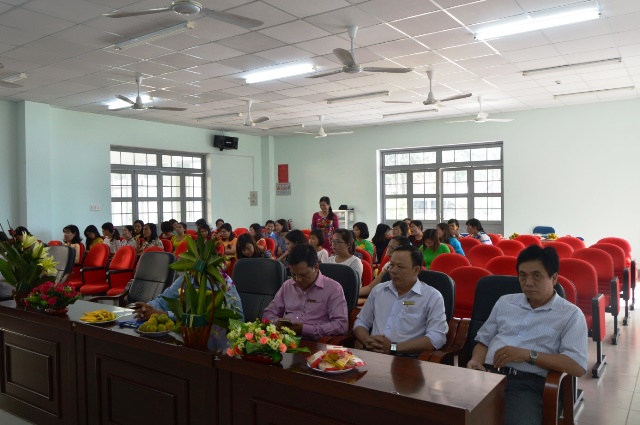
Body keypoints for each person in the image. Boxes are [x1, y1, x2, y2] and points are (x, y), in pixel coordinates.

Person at [467, 245, 588, 425]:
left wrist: (528, 355)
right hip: (487, 374)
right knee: (444, 412)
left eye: (536, 275)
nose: (528, 282)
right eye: (523, 275)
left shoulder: (570, 314)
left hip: (526, 385)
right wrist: (476, 360)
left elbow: (577, 365)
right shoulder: (505, 302)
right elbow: (484, 340)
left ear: (554, 278)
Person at [353, 245, 448, 356]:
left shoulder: (432, 297)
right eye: (391, 265)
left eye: (400, 267)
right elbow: (361, 322)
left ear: (416, 270)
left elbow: (436, 338)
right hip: (374, 353)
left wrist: (393, 347)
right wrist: (368, 341)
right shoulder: (379, 290)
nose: (393, 271)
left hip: (406, 359)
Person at [133, 274, 244, 352]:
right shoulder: (187, 278)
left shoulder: (224, 282)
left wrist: (165, 314)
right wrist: (148, 307)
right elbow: (163, 300)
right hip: (190, 342)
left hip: (221, 345)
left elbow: (203, 317)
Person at [262, 244, 348, 341]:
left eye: (303, 275)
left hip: (315, 343)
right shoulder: (287, 285)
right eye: (293, 274)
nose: (298, 280)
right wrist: (276, 322)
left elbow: (341, 325)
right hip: (284, 341)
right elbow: (268, 313)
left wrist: (305, 329)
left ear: (316, 267)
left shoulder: (333, 289)